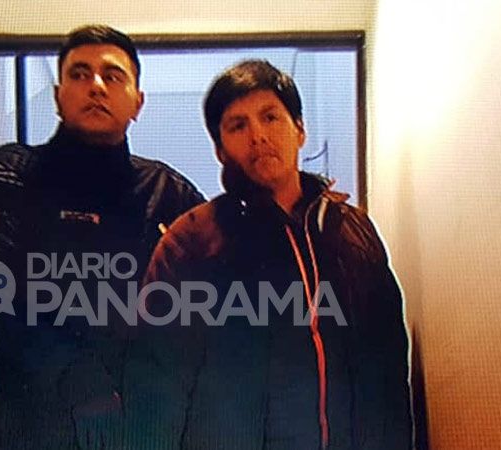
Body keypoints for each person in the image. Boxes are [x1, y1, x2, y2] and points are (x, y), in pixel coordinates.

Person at [142, 60, 412, 449]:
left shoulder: (353, 232)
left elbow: (389, 364)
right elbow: (157, 380)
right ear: (220, 150)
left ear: (299, 130)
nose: (258, 135)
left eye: (270, 117)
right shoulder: (192, 243)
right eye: (238, 126)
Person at [0, 25, 204, 449]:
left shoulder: (168, 192)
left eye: (112, 76)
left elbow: (223, 277)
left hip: (140, 423)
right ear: (58, 96)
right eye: (79, 74)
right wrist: (82, 381)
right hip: (36, 424)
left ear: (137, 102)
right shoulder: (11, 175)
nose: (96, 86)